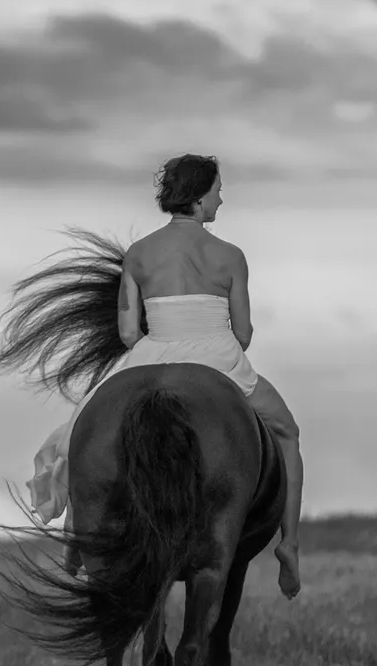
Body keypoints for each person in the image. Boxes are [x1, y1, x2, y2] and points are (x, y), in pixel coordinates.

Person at [26, 154, 305, 598]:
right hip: (218, 356)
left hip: (150, 355)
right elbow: (246, 334)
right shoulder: (230, 255)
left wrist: (164, 341)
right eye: (217, 189)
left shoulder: (139, 255)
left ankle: (77, 539)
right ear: (198, 197)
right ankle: (288, 546)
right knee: (287, 431)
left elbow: (126, 332)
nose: (221, 198)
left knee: (80, 432)